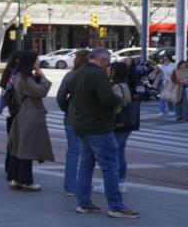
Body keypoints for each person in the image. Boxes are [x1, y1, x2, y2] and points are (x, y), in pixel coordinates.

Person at [69, 48, 139, 218]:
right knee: (110, 166)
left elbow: (68, 99)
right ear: (102, 59)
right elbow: (107, 99)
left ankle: (83, 202)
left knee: (86, 165)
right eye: (107, 62)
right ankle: (116, 206)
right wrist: (119, 100)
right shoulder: (98, 75)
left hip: (81, 125)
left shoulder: (77, 73)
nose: (108, 66)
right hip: (99, 127)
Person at [6, 50, 54, 191]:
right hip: (29, 115)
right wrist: (43, 77)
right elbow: (41, 91)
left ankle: (15, 179)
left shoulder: (20, 76)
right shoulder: (25, 78)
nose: (39, 62)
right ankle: (26, 181)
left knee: (19, 147)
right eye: (36, 60)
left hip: (23, 113)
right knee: (27, 148)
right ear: (30, 62)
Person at [56, 49, 91, 196]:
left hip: (72, 118)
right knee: (89, 153)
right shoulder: (94, 75)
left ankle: (70, 186)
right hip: (90, 119)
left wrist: (68, 109)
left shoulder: (70, 75)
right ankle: (84, 185)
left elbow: (60, 97)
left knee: (73, 152)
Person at [97, 62, 135, 194]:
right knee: (120, 153)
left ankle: (112, 183)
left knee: (112, 154)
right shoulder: (125, 84)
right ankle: (121, 181)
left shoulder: (115, 86)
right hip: (126, 124)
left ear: (114, 71)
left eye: (110, 69)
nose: (107, 70)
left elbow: (114, 105)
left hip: (116, 124)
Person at [0, 51, 21, 183]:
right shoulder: (16, 73)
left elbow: (4, 92)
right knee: (14, 142)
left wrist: (1, 108)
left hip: (9, 111)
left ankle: (8, 166)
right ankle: (11, 167)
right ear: (17, 60)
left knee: (11, 141)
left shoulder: (9, 71)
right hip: (14, 111)